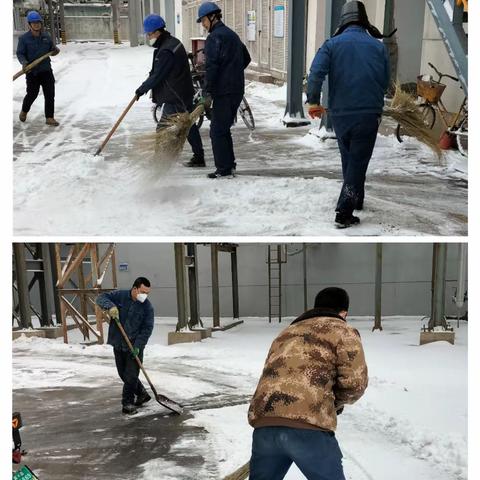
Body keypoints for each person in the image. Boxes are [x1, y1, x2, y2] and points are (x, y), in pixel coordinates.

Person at [248, 287, 368, 480]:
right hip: (308, 426)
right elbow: (355, 383)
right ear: (344, 312)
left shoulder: (286, 333)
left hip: (265, 422)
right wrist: (334, 404)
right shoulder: (343, 331)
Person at [307, 1, 391, 228]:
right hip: (368, 114)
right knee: (358, 161)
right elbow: (385, 82)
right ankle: (344, 212)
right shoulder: (378, 47)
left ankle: (357, 198)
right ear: (363, 20)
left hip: (341, 115)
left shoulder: (332, 44)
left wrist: (313, 101)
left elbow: (315, 74)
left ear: (343, 21)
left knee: (350, 159)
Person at [135, 14, 205, 167]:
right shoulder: (172, 43)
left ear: (157, 32)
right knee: (188, 124)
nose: (148, 37)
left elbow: (158, 75)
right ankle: (199, 156)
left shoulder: (166, 50)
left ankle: (158, 162)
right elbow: (156, 72)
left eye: (149, 33)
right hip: (184, 92)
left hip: (176, 95)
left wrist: (141, 89)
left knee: (162, 128)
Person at [197, 2, 251, 179]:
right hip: (236, 90)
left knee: (217, 130)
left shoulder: (214, 38)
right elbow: (247, 58)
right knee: (223, 128)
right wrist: (233, 72)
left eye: (203, 20)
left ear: (212, 17)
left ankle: (223, 169)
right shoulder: (231, 35)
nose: (203, 25)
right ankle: (229, 164)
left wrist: (207, 91)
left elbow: (212, 67)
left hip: (223, 91)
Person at [96, 277, 154, 415]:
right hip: (118, 343)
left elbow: (147, 329)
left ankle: (127, 403)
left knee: (130, 376)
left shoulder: (147, 307)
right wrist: (111, 306)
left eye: (147, 293)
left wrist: (138, 346)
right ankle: (141, 393)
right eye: (143, 292)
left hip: (134, 346)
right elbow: (100, 298)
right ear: (134, 289)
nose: (144, 296)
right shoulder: (120, 296)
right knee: (123, 374)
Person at [16, 11, 60, 126]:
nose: (36, 25)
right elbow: (20, 53)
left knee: (50, 94)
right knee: (32, 94)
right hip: (32, 72)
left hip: (46, 70)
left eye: (38, 22)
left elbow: (52, 50)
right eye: (34, 23)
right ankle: (24, 111)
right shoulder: (24, 39)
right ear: (29, 24)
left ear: (41, 23)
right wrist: (24, 63)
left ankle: (49, 117)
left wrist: (55, 51)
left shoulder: (46, 37)